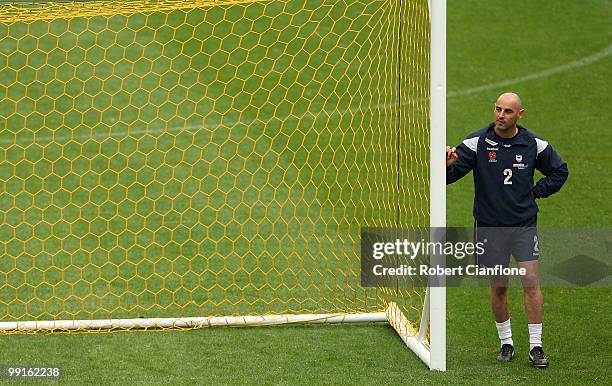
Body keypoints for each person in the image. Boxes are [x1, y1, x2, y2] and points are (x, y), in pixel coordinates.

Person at [446, 92, 568, 368]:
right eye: (498, 109)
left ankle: (536, 347)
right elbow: (448, 178)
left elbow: (560, 172)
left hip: (523, 225)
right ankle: (506, 343)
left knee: (530, 282)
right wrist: (445, 163)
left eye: (508, 112)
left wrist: (536, 192)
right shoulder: (477, 142)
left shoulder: (534, 144)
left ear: (520, 114)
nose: (501, 115)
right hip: (489, 226)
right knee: (499, 286)